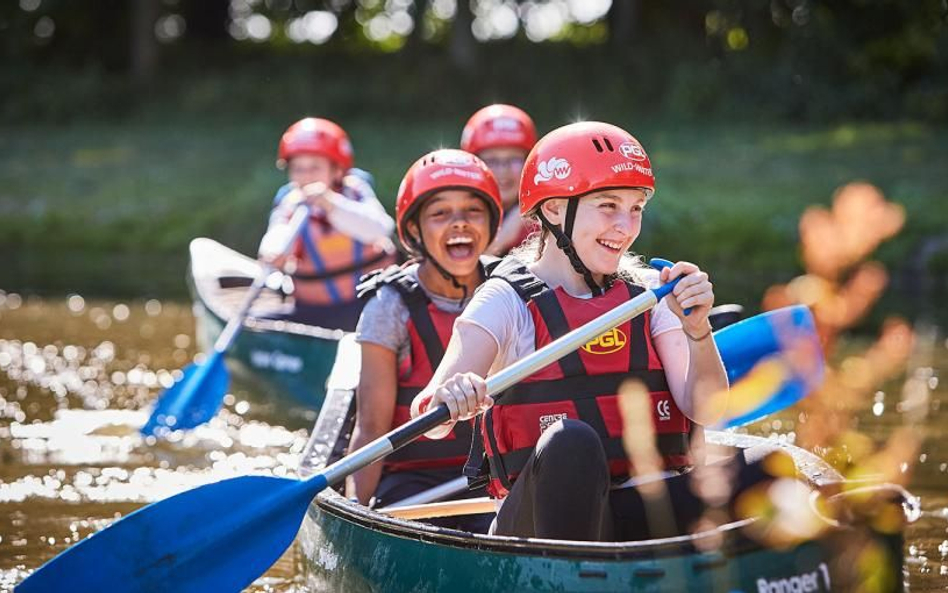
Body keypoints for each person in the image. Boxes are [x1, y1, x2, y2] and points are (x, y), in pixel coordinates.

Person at [411, 122, 782, 542]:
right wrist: (449, 396)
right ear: (553, 210)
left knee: (769, 464)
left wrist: (698, 332)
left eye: (636, 208)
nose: (625, 226)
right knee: (572, 443)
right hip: (541, 525)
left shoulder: (649, 293)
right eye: (608, 206)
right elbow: (430, 420)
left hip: (640, 513)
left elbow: (709, 410)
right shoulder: (503, 300)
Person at [346, 149, 503, 532]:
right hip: (413, 485)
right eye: (440, 213)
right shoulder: (390, 305)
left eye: (473, 211)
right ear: (414, 230)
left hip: (496, 477)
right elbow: (371, 428)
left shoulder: (512, 289)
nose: (460, 224)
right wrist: (354, 512)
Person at [258, 117, 396, 330]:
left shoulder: (356, 192)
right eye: (298, 169)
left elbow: (381, 228)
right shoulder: (291, 201)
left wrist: (331, 203)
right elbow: (275, 238)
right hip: (314, 312)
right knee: (259, 322)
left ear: (337, 170)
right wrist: (273, 252)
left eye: (315, 167)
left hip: (370, 305)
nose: (306, 177)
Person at [460, 104, 538, 256]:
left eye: (514, 159)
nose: (503, 170)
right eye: (492, 161)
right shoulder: (454, 213)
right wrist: (504, 237)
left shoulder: (547, 218)